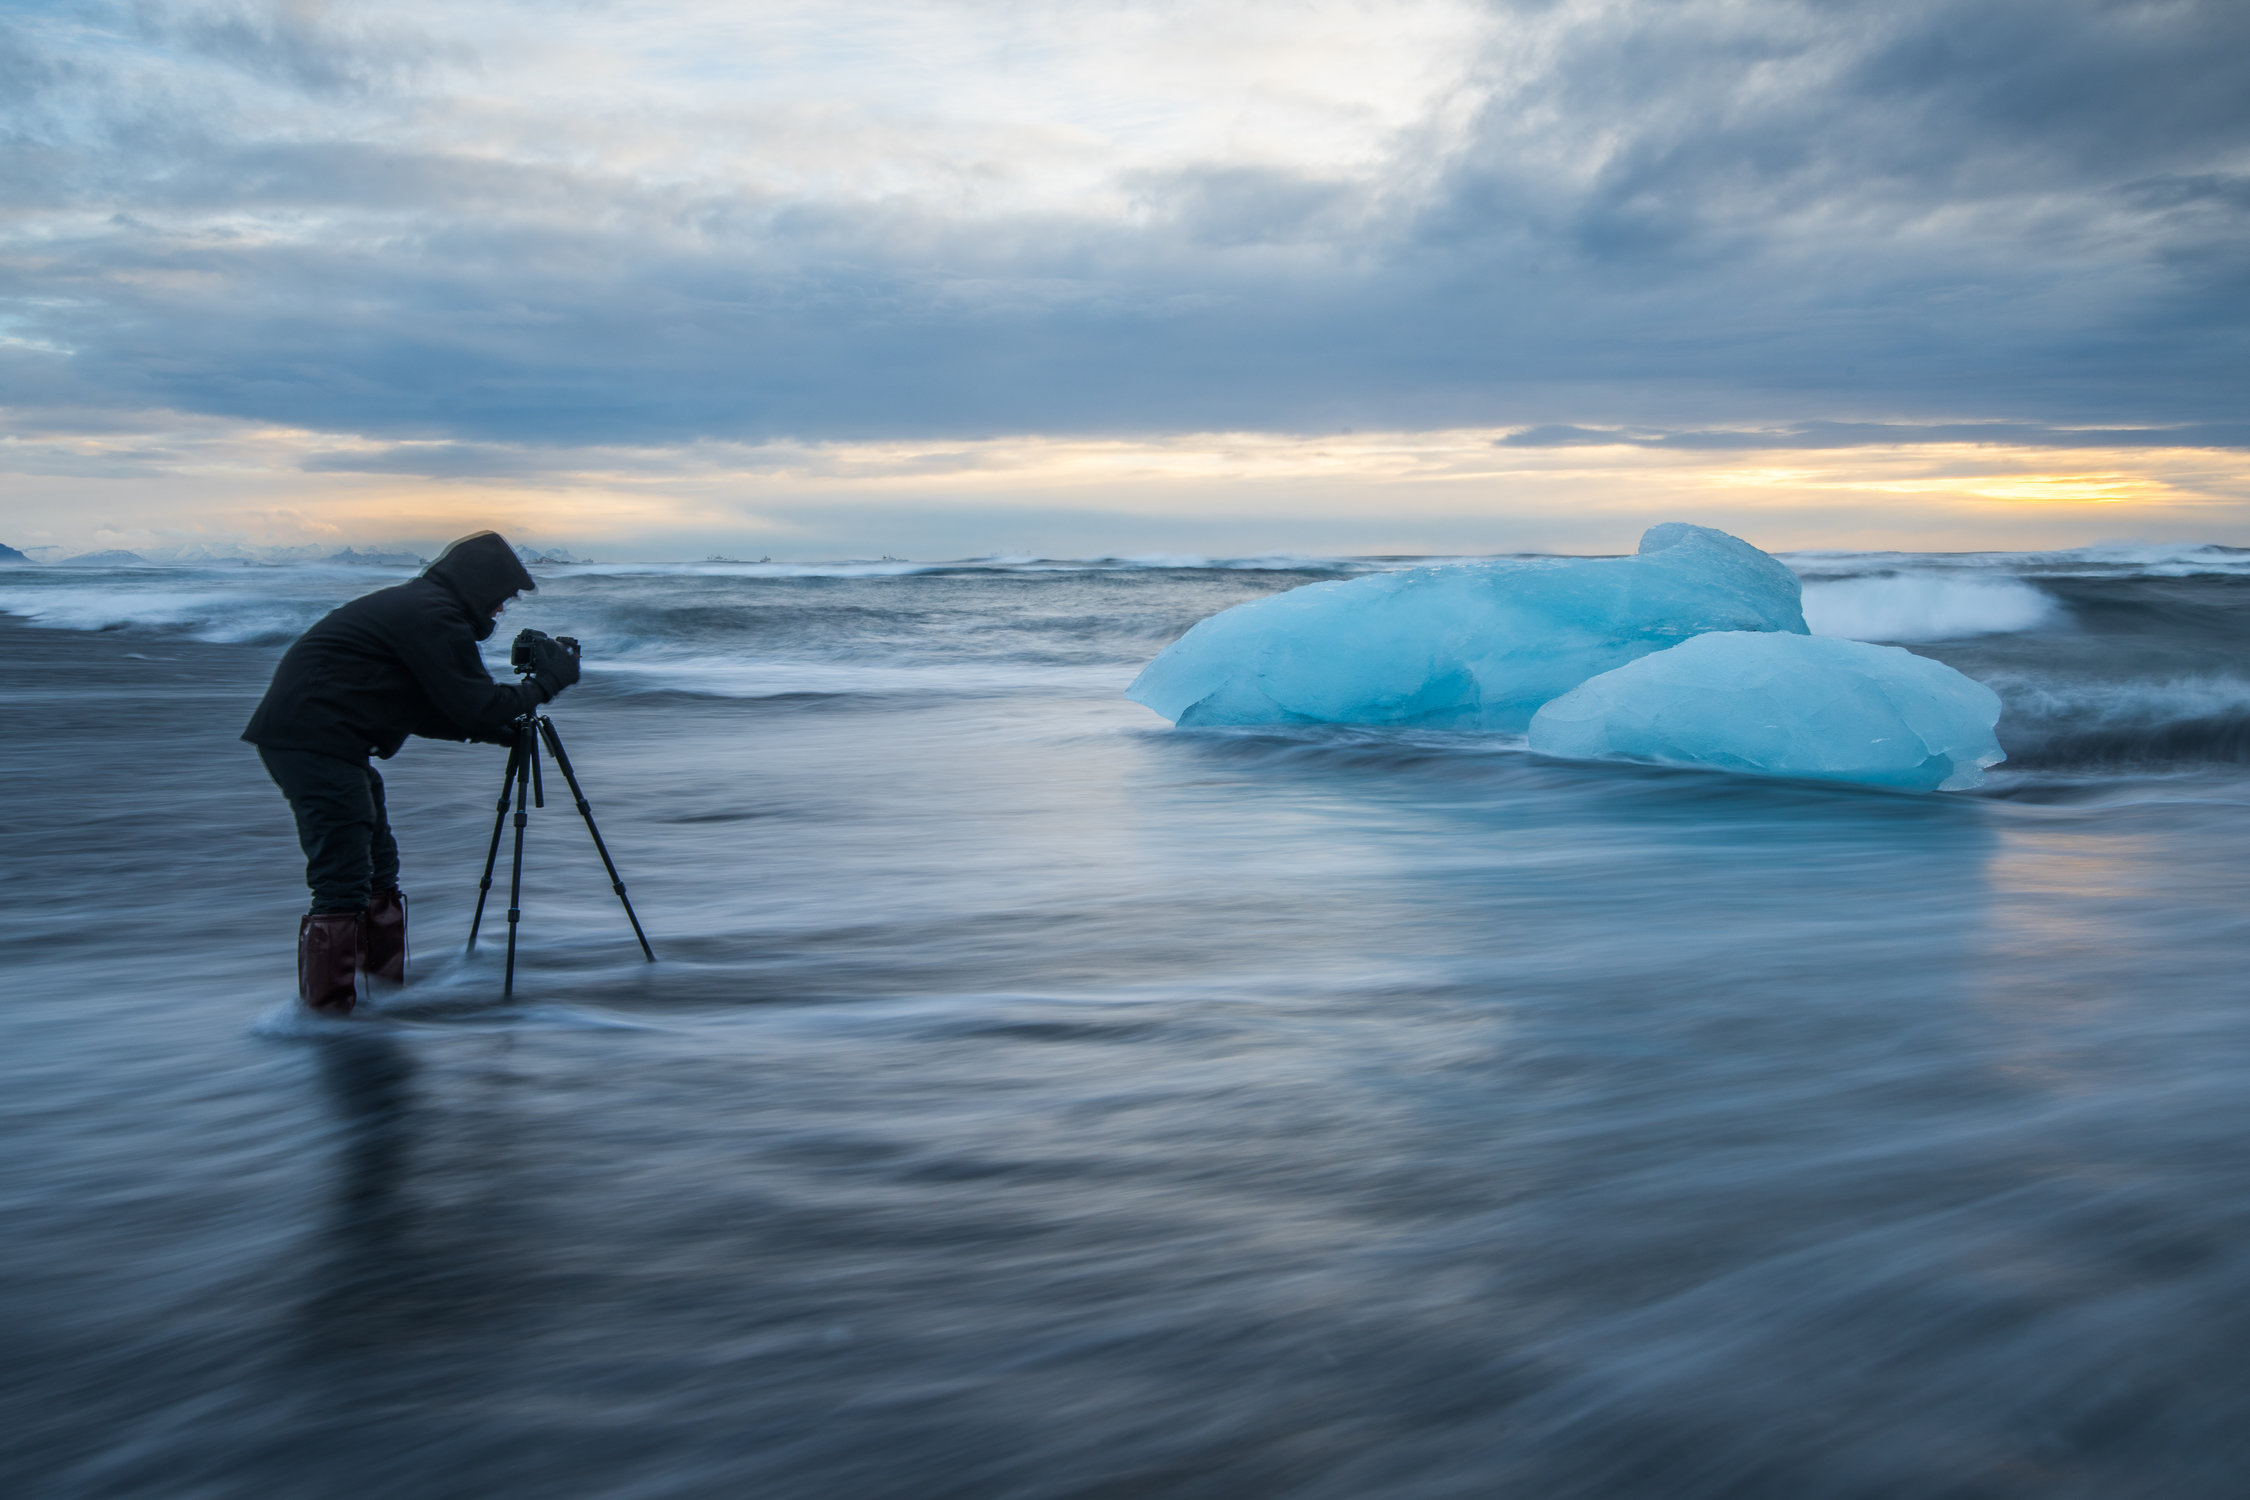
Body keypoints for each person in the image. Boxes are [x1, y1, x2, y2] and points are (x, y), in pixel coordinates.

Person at [244, 531, 581, 1014]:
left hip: (321, 740)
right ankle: (328, 1016)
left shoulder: (421, 608)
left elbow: (425, 708)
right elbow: (477, 704)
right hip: (314, 742)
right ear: (479, 586)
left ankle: (381, 997)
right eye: (501, 600)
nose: (501, 612)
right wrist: (549, 681)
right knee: (342, 878)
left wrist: (498, 731)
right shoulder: (433, 616)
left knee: (378, 868)